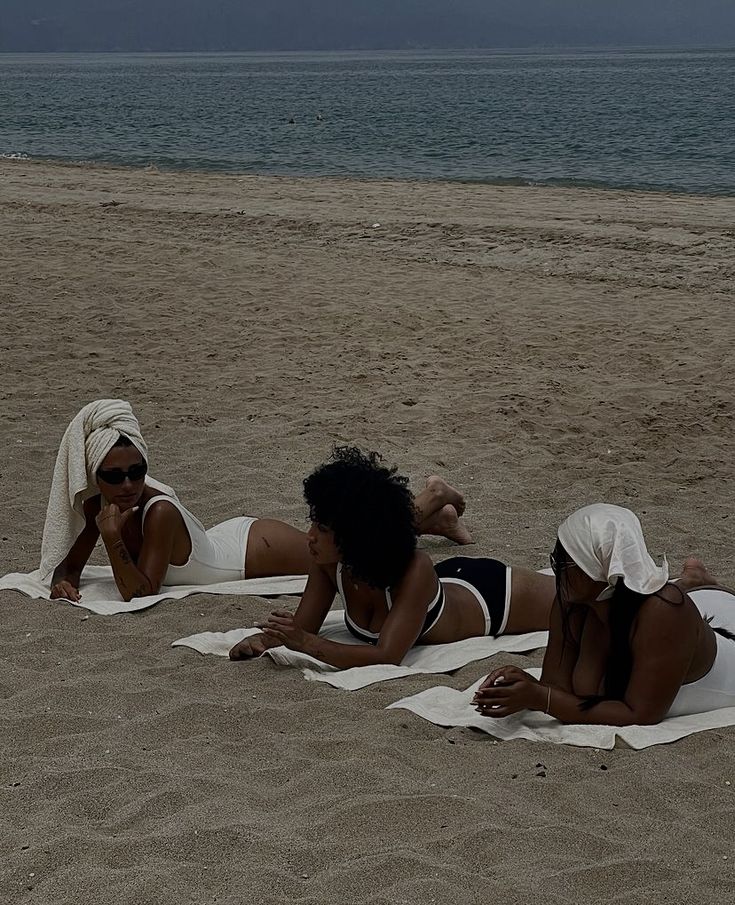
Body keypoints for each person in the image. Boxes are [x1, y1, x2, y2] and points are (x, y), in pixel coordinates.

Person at [47, 402, 471, 604]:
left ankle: (432, 496)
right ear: (96, 477)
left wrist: (113, 541)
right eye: (114, 476)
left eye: (137, 471)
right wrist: (62, 580)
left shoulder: (158, 512)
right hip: (224, 540)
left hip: (252, 552)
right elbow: (72, 562)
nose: (127, 485)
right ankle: (437, 519)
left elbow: (139, 591)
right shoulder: (97, 504)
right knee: (356, 544)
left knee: (358, 547)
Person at [229, 447, 555, 667]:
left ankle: (438, 499)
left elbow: (387, 656)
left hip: (494, 597)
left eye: (323, 527)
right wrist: (265, 639)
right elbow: (303, 627)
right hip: (446, 580)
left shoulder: (415, 568)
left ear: (354, 535)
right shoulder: (327, 561)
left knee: (592, 600)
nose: (309, 535)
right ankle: (438, 500)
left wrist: (306, 644)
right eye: (314, 522)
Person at [473, 504, 735, 725]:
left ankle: (698, 583)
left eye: (563, 562)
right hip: (697, 617)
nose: (556, 570)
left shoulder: (662, 614)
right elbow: (556, 686)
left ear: (598, 567)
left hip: (727, 646)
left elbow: (642, 714)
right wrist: (520, 685)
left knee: (679, 603)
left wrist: (541, 698)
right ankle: (693, 581)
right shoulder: (573, 601)